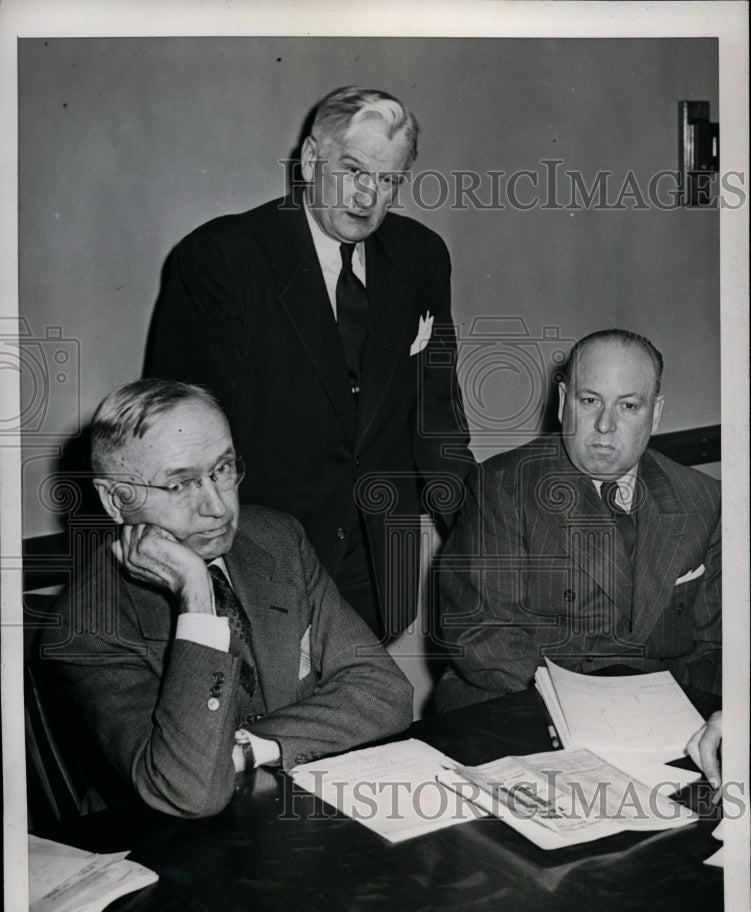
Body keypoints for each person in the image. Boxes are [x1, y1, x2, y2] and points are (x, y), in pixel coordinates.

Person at [144, 85, 474, 639]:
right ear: (310, 159)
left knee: (365, 719)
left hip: (376, 568)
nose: (369, 196)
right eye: (353, 170)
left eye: (389, 180)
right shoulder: (223, 257)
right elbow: (182, 439)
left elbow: (436, 420)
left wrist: (482, 535)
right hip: (257, 562)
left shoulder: (421, 256)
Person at [39, 379, 413, 818]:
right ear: (116, 499)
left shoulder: (276, 539)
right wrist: (197, 596)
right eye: (180, 485)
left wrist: (244, 749)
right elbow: (190, 792)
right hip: (162, 846)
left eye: (222, 470)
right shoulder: (88, 625)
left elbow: (386, 691)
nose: (217, 507)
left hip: (291, 809)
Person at [436, 329, 721, 710]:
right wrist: (592, 708)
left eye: (628, 406)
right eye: (590, 400)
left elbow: (716, 646)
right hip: (527, 701)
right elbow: (484, 637)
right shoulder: (501, 486)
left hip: (663, 710)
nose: (605, 425)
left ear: (655, 414)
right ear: (562, 402)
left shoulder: (704, 498)